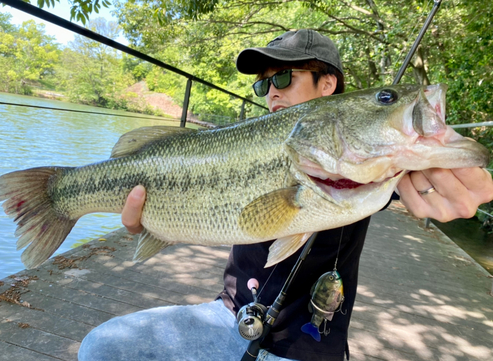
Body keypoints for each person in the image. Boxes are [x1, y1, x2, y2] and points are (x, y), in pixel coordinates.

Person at [78, 29, 493, 361]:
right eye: (263, 85)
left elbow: (416, 182)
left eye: (282, 78)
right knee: (102, 347)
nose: (271, 91)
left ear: (327, 83)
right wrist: (154, 225)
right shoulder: (257, 141)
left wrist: (452, 180)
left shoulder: (377, 176)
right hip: (226, 316)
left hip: (304, 348)